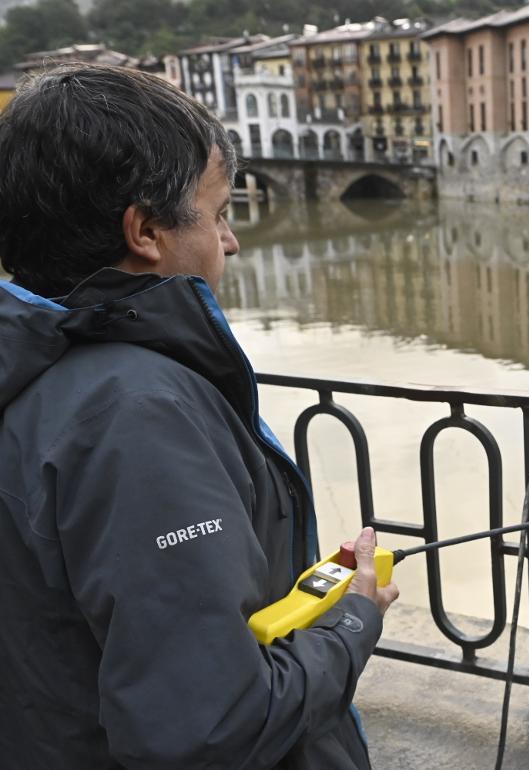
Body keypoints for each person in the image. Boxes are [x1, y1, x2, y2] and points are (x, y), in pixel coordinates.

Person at [0, 64, 399, 768]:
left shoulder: (32, 371)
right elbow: (212, 728)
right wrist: (353, 622)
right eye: (217, 213)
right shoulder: (137, 416)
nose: (232, 240)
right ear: (146, 230)